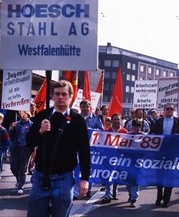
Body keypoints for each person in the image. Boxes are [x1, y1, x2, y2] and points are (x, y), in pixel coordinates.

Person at [26, 80, 91, 217]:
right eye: (57, 94)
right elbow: (29, 141)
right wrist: (40, 131)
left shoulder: (78, 120)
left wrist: (85, 178)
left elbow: (84, 151)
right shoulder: (43, 115)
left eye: (64, 94)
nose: (60, 97)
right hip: (40, 177)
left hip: (64, 178)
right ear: (53, 96)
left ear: (71, 96)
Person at [150, 103, 179, 208]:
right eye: (168, 109)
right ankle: (159, 196)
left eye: (172, 109)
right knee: (159, 175)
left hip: (172, 153)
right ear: (164, 110)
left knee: (170, 176)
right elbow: (151, 133)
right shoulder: (159, 121)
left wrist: (178, 136)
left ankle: (166, 199)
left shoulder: (177, 122)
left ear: (174, 110)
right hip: (160, 153)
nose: (170, 110)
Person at [102, 113, 128, 204]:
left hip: (120, 157)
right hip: (109, 157)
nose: (117, 121)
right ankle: (107, 195)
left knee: (116, 175)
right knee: (108, 176)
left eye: (118, 119)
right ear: (112, 120)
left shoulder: (125, 132)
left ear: (120, 120)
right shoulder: (106, 131)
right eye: (115, 119)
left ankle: (115, 192)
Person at [9, 111, 33, 194]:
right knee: (13, 167)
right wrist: (12, 128)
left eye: (24, 113)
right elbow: (11, 136)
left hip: (26, 148)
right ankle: (18, 180)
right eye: (21, 113)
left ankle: (21, 186)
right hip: (16, 147)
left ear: (28, 114)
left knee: (23, 168)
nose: (22, 115)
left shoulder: (31, 124)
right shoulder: (17, 124)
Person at [126, 118, 143, 208]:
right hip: (128, 161)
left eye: (138, 126)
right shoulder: (128, 135)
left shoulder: (144, 136)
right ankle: (130, 194)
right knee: (128, 181)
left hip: (138, 161)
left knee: (135, 180)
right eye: (135, 126)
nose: (137, 128)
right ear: (132, 126)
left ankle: (133, 198)